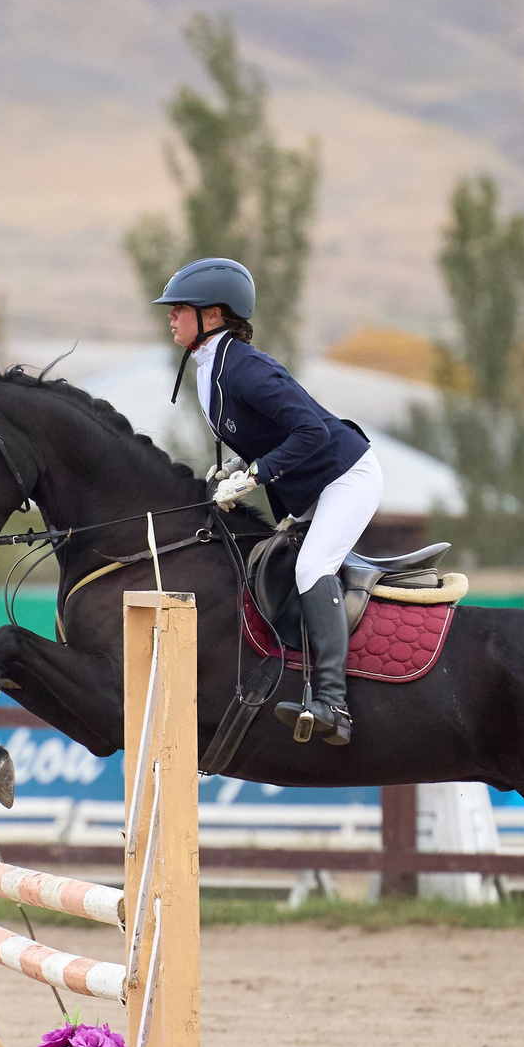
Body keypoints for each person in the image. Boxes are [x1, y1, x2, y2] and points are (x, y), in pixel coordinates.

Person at [154, 256, 383, 745]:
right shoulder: (212, 365)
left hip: (346, 477)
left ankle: (333, 704)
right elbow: (270, 434)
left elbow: (312, 429)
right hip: (310, 486)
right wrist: (239, 469)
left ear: (213, 316)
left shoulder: (244, 367)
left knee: (310, 569)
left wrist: (256, 475)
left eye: (180, 308)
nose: (170, 315)